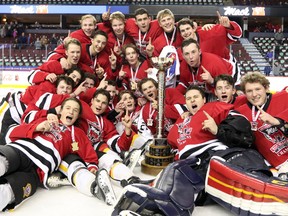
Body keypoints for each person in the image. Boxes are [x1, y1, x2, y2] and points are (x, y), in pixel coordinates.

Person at [0, 97, 116, 212]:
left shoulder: (78, 134)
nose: (71, 111)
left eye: (75, 110)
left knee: (9, 191)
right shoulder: (45, 119)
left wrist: (92, 168)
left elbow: (89, 155)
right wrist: (36, 127)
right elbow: (12, 133)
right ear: (61, 111)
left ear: (78, 116)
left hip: (38, 172)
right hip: (21, 151)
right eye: (68, 108)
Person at [236, 72, 288, 173]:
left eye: (258, 89)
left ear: (266, 88)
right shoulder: (240, 113)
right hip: (280, 166)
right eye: (249, 91)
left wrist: (278, 122)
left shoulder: (283, 98)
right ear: (244, 93)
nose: (254, 94)